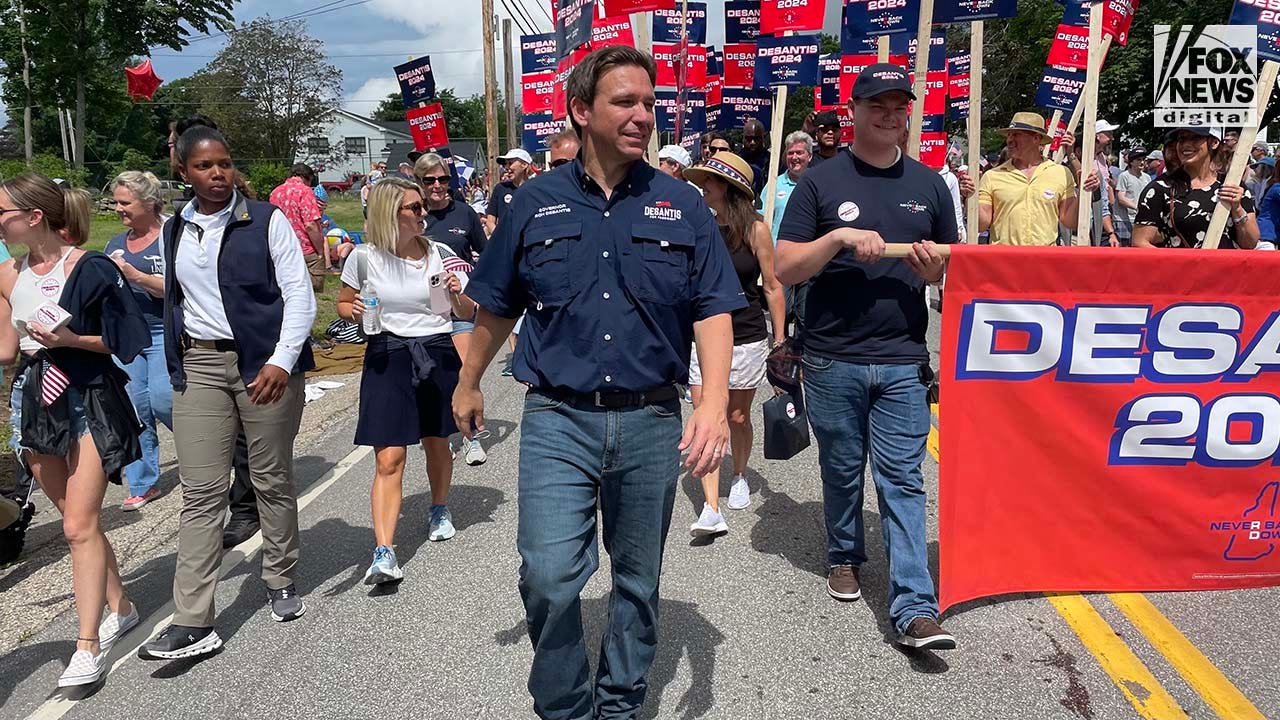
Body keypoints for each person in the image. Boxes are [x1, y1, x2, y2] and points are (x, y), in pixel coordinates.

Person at [453, 45, 743, 719]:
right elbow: (497, 303)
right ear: (582, 111)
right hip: (558, 419)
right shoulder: (534, 202)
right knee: (552, 577)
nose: (643, 115)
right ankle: (564, 706)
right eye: (625, 102)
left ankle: (619, 703)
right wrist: (468, 380)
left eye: (649, 103)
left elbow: (713, 308)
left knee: (638, 583)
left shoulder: (683, 205)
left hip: (651, 419)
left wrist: (711, 404)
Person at [774, 63, 959, 651]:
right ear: (851, 111)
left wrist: (936, 272)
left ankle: (914, 606)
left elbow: (952, 270)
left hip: (903, 357)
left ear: (909, 113)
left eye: (898, 105)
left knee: (904, 478)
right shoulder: (819, 184)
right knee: (842, 467)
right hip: (832, 357)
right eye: (876, 104)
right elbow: (783, 266)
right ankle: (844, 552)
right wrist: (835, 240)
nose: (888, 114)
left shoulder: (930, 185)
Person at [139, 125, 317, 661]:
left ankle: (280, 576)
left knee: (269, 478)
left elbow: (300, 297)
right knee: (201, 491)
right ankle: (194, 619)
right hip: (200, 364)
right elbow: (178, 297)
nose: (217, 174)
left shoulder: (266, 220)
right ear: (183, 171)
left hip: (264, 365)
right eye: (203, 166)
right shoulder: (177, 227)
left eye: (224, 163)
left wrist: (282, 362)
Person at [0, 174, 149, 686]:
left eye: (2, 212)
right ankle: (122, 606)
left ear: (33, 215)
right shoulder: (7, 274)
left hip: (87, 394)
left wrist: (70, 338)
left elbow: (126, 340)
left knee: (77, 527)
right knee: (73, 518)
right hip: (34, 399)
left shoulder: (91, 268)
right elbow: (4, 350)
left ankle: (87, 647)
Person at [336, 178, 477, 583]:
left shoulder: (439, 253)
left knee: (437, 441)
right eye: (413, 208)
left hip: (435, 351)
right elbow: (344, 303)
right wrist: (353, 310)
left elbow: (463, 309)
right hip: (388, 355)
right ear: (388, 213)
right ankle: (384, 552)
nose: (423, 214)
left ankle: (438, 507)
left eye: (421, 208)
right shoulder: (363, 258)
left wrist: (455, 294)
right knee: (389, 457)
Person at [683, 152, 786, 536]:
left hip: (746, 334)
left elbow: (773, 287)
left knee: (737, 417)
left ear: (726, 187)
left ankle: (739, 473)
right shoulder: (698, 226)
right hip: (703, 334)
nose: (702, 186)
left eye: (708, 181)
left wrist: (780, 341)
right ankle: (711, 508)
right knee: (705, 415)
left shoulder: (757, 230)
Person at [416, 152, 489, 467]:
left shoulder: (465, 214)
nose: (437, 186)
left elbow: (485, 255)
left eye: (443, 179)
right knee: (431, 377)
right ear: (419, 182)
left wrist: (475, 290)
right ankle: (442, 438)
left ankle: (471, 437)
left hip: (459, 307)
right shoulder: (412, 215)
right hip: (423, 311)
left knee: (464, 371)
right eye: (430, 180)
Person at [104, 171, 170, 510]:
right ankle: (144, 482)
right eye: (115, 201)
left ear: (148, 203)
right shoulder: (115, 244)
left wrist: (136, 276)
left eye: (124, 202)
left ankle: (212, 453)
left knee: (163, 400)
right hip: (129, 336)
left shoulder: (169, 236)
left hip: (163, 331)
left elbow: (179, 288)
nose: (117, 208)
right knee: (133, 407)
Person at [976, 111, 1099, 246]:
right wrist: (971, 197)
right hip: (1004, 262)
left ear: (1036, 138)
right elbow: (980, 225)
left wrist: (1083, 192)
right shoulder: (992, 176)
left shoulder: (1061, 173)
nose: (1009, 140)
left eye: (1016, 134)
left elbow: (1070, 221)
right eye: (1009, 135)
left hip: (1045, 263)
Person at [1133, 127, 1258, 249]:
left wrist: (1237, 209)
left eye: (1195, 137)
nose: (1186, 144)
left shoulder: (1233, 185)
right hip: (1180, 269)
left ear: (1214, 142)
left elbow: (1250, 244)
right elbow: (1140, 242)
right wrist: (1177, 266)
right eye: (1181, 138)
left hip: (1227, 269)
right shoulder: (1160, 188)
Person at [269, 163, 328, 292]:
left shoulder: (275, 192)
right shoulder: (305, 191)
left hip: (282, 248)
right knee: (310, 291)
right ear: (306, 177)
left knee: (286, 290)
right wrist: (320, 251)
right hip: (305, 249)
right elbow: (310, 225)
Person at [484, 148, 532, 235]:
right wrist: (500, 238)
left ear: (524, 165)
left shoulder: (535, 188)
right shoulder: (501, 188)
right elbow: (490, 220)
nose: (506, 168)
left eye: (510, 163)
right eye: (506, 164)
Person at [1113, 150, 1151, 246]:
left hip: (1140, 219)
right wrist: (1137, 207)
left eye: (1143, 159)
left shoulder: (1147, 177)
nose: (1142, 162)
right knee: (1125, 250)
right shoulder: (1124, 176)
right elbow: (1121, 198)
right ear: (1131, 162)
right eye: (1138, 160)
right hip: (1124, 219)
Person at [740, 118, 769, 198]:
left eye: (756, 139)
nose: (752, 142)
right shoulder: (737, 159)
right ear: (743, 138)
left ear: (763, 138)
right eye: (749, 139)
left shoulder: (771, 160)